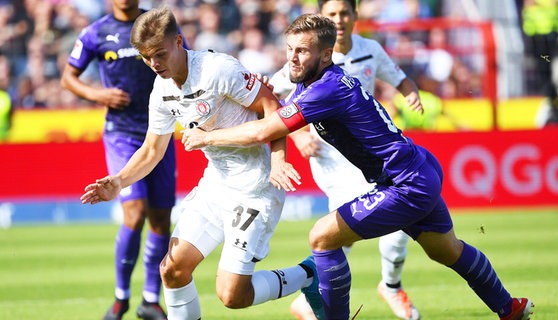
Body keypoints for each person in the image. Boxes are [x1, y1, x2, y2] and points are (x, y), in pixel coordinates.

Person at [180, 13, 534, 320]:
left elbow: (264, 130)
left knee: (322, 237)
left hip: (404, 182)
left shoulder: (325, 90)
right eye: (289, 49)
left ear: (326, 53)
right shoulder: (317, 83)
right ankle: (510, 308)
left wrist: (208, 137)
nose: (293, 58)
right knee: (447, 250)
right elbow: (275, 101)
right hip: (417, 169)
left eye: (302, 51)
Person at [80, 6, 325, 320]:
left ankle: (308, 273)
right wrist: (118, 181)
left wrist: (278, 160)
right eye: (145, 56)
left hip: (254, 187)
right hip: (216, 184)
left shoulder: (218, 69)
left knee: (232, 295)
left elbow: (271, 107)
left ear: (179, 42)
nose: (153, 63)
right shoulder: (161, 90)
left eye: (159, 54)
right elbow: (152, 150)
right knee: (172, 270)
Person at [270, 1, 422, 319]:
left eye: (344, 13)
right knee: (361, 227)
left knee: (350, 235)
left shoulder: (370, 49)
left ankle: (320, 297)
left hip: (367, 155)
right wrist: (297, 135)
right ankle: (385, 288)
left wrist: (410, 93)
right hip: (330, 160)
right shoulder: (306, 56)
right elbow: (270, 97)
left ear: (355, 16)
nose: (339, 20)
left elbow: (400, 78)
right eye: (332, 14)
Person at [60, 1, 184, 319]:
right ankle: (121, 297)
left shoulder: (157, 24)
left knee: (160, 218)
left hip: (160, 133)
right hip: (122, 135)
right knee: (135, 212)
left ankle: (150, 299)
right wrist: (97, 95)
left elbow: (184, 60)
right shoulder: (94, 33)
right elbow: (68, 78)